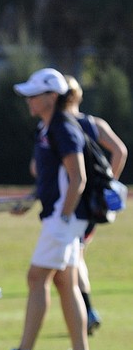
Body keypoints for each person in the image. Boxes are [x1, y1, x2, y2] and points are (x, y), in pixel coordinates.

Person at [0, 68, 96, 350]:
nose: (28, 100)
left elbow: (78, 178)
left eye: (34, 95)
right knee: (66, 282)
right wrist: (32, 200)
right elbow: (55, 178)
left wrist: (62, 216)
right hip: (62, 217)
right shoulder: (48, 127)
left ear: (52, 97)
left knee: (36, 278)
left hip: (64, 218)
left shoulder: (63, 127)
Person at [62, 74, 127, 335]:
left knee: (73, 259)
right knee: (77, 256)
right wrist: (107, 183)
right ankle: (85, 311)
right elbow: (120, 151)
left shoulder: (59, 127)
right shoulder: (93, 123)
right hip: (91, 204)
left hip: (72, 203)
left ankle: (87, 310)